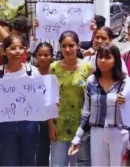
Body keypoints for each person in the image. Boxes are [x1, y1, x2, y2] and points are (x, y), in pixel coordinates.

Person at [69, 43, 130, 166]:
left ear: (116, 60)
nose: (103, 61)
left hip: (119, 133)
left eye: (107, 57)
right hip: (97, 133)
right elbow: (86, 113)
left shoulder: (126, 84)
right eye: (100, 57)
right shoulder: (91, 82)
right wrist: (78, 138)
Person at [0, 35, 40, 166]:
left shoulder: (33, 72)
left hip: (28, 124)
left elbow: (40, 97)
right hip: (3, 125)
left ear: (26, 50)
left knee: (29, 160)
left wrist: (50, 102)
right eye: (13, 48)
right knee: (6, 161)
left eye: (21, 48)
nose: (18, 51)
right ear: (4, 51)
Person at [48, 31, 94, 167]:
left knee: (82, 164)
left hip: (82, 127)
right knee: (58, 164)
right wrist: (51, 125)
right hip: (59, 125)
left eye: (71, 45)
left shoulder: (88, 68)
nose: (67, 49)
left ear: (78, 46)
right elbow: (48, 99)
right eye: (64, 46)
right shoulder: (53, 68)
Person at [34, 42, 54, 167]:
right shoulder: (30, 73)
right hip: (37, 119)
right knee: (40, 152)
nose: (42, 58)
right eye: (40, 55)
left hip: (56, 119)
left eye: (46, 55)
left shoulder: (58, 72)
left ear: (52, 56)